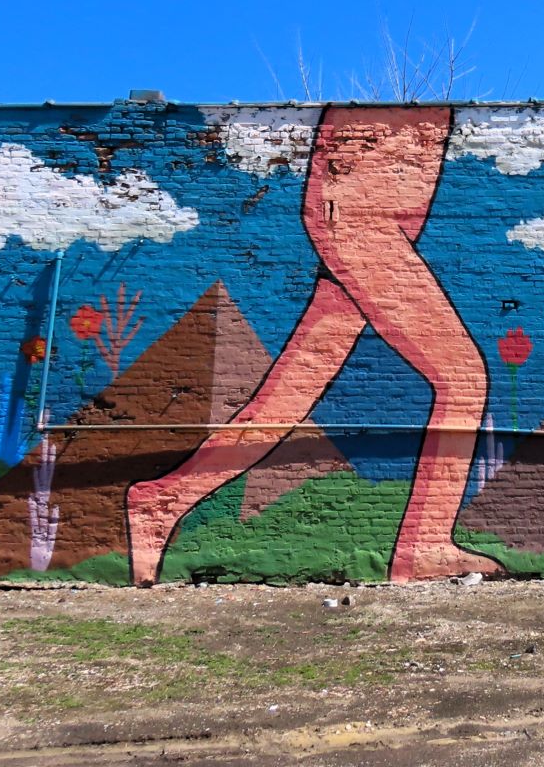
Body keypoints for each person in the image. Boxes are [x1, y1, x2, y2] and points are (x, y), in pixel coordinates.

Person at [125, 105, 500, 584]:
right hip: (365, 224)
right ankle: (424, 546)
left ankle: (163, 503)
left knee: (287, 397)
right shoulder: (372, 126)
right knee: (462, 378)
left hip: (367, 220)